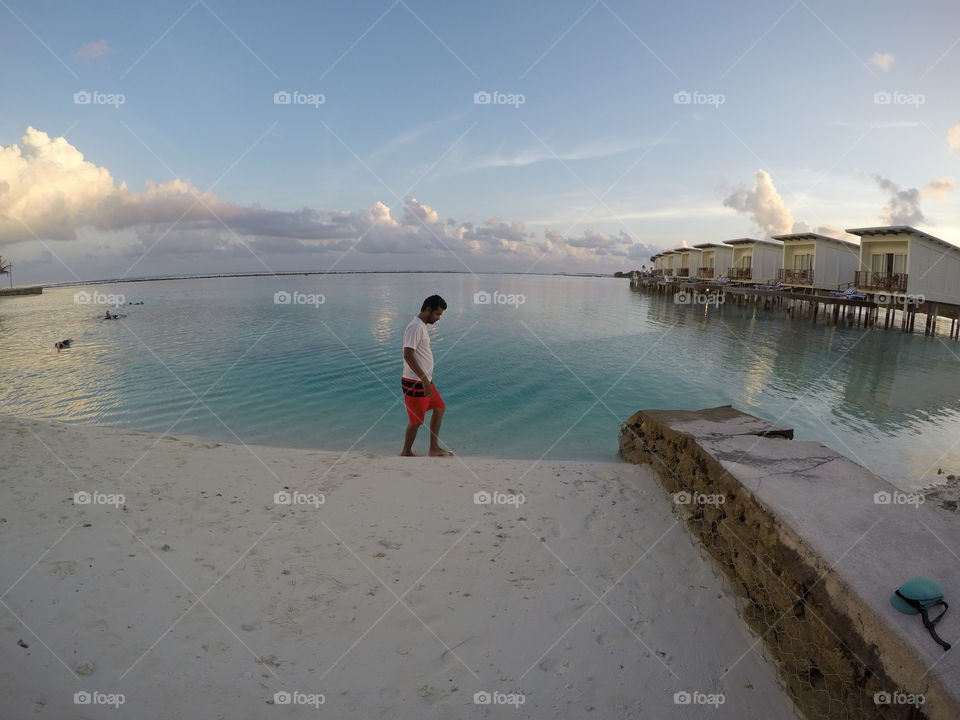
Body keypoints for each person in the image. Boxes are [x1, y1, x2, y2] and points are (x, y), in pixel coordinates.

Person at [400, 295, 453, 457]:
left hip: (425, 380)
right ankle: (406, 452)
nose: (438, 318)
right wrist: (423, 378)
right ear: (428, 309)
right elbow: (408, 354)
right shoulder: (415, 327)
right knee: (416, 421)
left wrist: (427, 379)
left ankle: (433, 448)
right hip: (415, 382)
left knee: (439, 408)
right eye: (437, 314)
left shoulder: (421, 326)